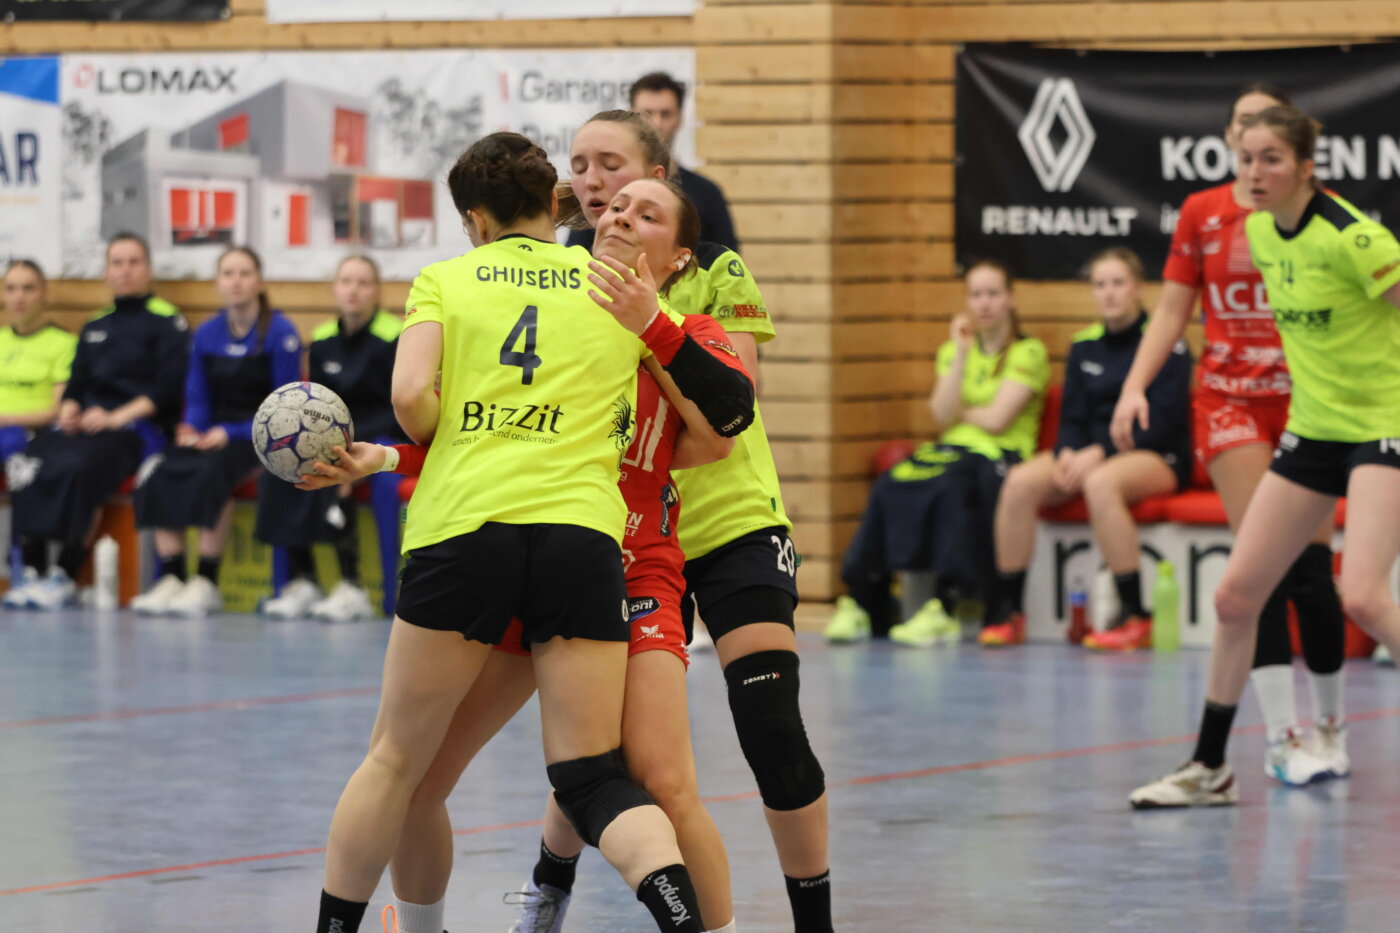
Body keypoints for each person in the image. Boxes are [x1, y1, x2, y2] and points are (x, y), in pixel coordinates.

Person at [303, 177, 753, 933]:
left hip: (629, 561)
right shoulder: (564, 302)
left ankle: (605, 896)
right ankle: (505, 898)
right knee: (435, 777)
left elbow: (718, 435)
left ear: (679, 257)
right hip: (550, 547)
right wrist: (386, 457)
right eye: (612, 204)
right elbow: (488, 435)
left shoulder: (678, 330)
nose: (619, 217)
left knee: (658, 783)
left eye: (646, 213)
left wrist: (652, 330)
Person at [564, 108, 834, 932]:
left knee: (770, 724)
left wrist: (652, 327)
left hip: (729, 520)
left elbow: (728, 412)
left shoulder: (713, 268)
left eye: (612, 166)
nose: (595, 184)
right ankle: (546, 887)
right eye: (580, 167)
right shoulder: (566, 278)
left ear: (658, 174)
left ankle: (814, 921)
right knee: (599, 738)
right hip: (633, 536)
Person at [1130, 105, 1400, 808]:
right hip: (1314, 429)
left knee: (1364, 595)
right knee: (1234, 598)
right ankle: (1210, 768)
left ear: (1306, 167)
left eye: (1272, 159)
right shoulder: (1256, 231)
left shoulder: (1355, 237)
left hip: (1384, 424)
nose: (1254, 173)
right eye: (1246, 158)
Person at [826, 259, 1050, 647]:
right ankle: (862, 599)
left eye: (993, 294)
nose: (984, 303)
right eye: (976, 295)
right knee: (892, 482)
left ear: (1011, 298)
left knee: (951, 488)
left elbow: (998, 420)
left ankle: (944, 606)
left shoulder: (1028, 352)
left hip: (999, 453)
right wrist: (961, 354)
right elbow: (942, 414)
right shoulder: (954, 350)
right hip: (951, 449)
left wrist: (963, 409)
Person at [986, 248, 1191, 648]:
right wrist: (1067, 452)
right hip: (1092, 453)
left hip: (1156, 455)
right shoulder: (1084, 347)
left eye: (1118, 283)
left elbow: (1163, 424)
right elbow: (1072, 417)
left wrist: (1100, 453)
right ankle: (1009, 612)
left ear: (1138, 288)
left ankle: (1135, 615)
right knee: (1019, 482)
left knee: (1100, 483)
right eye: (1100, 285)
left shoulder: (1166, 343)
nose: (1109, 293)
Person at [9, 234, 187, 610]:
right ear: (107, 271)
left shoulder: (167, 322)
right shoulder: (94, 325)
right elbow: (77, 383)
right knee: (29, 459)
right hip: (89, 425)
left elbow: (167, 388)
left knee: (80, 465)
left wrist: (115, 417)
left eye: (133, 262)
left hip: (137, 429)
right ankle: (31, 570)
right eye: (117, 263)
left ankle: (65, 573)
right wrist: (70, 408)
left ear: (148, 269)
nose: (125, 270)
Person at [129, 247, 302, 616]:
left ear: (259, 281)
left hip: (263, 433)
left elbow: (285, 405)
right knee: (162, 467)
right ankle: (172, 575)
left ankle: (206, 580)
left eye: (244, 273)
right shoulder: (206, 333)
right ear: (218, 282)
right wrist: (193, 429)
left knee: (214, 469)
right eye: (228, 273)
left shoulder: (280, 332)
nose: (236, 281)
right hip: (215, 431)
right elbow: (197, 395)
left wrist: (232, 432)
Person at [257, 255, 404, 622]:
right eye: (346, 281)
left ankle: (351, 586)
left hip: (383, 433)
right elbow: (315, 405)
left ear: (377, 291)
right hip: (334, 434)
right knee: (284, 468)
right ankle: (303, 581)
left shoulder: (395, 336)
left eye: (363, 282)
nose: (354, 290)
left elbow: (399, 406)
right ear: (335, 289)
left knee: (339, 469)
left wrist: (346, 444)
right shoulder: (323, 339)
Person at [567, 73, 740, 254]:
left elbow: (728, 259)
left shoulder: (706, 193)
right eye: (647, 114)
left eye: (665, 114)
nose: (656, 123)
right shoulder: (594, 204)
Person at [0, 260, 78, 610]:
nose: (19, 297)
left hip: (31, 432)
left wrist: (6, 418)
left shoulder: (63, 343)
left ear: (44, 294)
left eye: (28, 288)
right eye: (11, 288)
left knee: (20, 456)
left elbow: (57, 409)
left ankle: (24, 564)